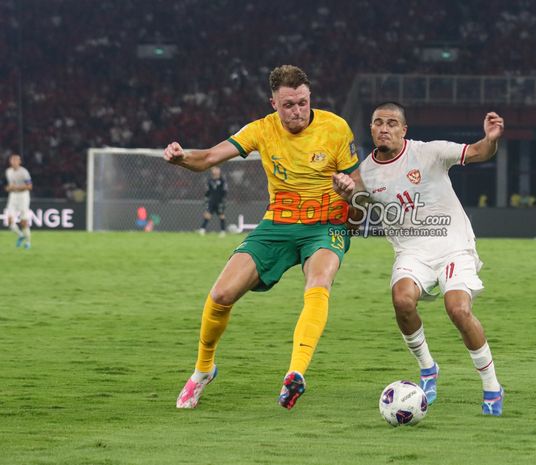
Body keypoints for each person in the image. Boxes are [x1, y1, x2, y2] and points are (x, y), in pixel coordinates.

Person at [164, 65, 359, 410]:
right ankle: (203, 370)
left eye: (302, 102)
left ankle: (295, 374)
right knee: (221, 294)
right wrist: (182, 160)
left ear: (310, 97)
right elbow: (209, 156)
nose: (297, 111)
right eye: (288, 105)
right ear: (273, 103)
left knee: (319, 282)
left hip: (326, 223)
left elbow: (358, 189)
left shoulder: (336, 127)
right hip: (278, 224)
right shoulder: (260, 130)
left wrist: (349, 190)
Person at [333, 102, 505, 416]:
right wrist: (349, 196)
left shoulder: (429, 152)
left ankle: (492, 386)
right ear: (370, 128)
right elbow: (355, 221)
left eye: (391, 123)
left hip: (453, 246)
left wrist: (491, 138)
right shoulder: (364, 173)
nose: (384, 128)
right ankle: (428, 369)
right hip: (411, 252)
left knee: (458, 310)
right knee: (401, 300)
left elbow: (480, 152)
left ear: (404, 129)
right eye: (377, 123)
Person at [5, 154, 33, 249]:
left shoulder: (24, 172)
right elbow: (10, 185)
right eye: (12, 160)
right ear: (10, 162)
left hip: (23, 197)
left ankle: (28, 242)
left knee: (23, 222)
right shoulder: (8, 172)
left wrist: (17, 187)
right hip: (13, 196)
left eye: (16, 160)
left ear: (19, 162)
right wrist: (9, 188)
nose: (14, 162)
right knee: (9, 221)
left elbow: (29, 186)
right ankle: (20, 235)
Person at [198, 166, 228, 237]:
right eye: (214, 169)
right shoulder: (210, 180)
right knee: (207, 215)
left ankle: (223, 231)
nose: (215, 171)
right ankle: (202, 229)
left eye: (217, 169)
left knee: (221, 215)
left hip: (219, 201)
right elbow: (208, 191)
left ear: (219, 170)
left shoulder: (222, 180)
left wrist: (223, 200)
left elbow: (225, 191)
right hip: (212, 201)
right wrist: (206, 198)